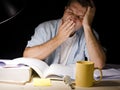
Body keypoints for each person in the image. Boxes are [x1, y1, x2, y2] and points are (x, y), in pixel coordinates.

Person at [23, 0, 106, 69]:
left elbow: (98, 65)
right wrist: (59, 38)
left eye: (80, 16)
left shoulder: (89, 34)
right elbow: (27, 56)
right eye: (70, 12)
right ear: (65, 9)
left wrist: (87, 26)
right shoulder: (45, 28)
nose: (73, 18)